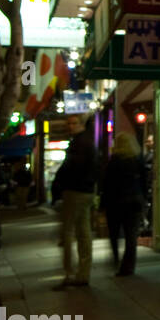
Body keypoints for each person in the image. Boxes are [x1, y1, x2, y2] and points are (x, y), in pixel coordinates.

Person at [52, 113, 97, 288]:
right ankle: (82, 273)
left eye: (73, 123)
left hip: (76, 191)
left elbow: (73, 168)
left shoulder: (80, 143)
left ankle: (70, 273)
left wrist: (60, 183)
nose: (70, 126)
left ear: (81, 124)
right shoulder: (86, 142)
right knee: (83, 231)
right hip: (84, 191)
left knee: (69, 232)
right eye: (68, 123)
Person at [99, 132, 147, 276]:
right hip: (134, 202)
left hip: (115, 203)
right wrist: (143, 199)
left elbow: (106, 185)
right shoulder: (138, 160)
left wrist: (102, 205)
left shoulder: (114, 161)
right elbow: (144, 182)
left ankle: (115, 259)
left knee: (114, 234)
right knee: (131, 236)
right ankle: (128, 266)